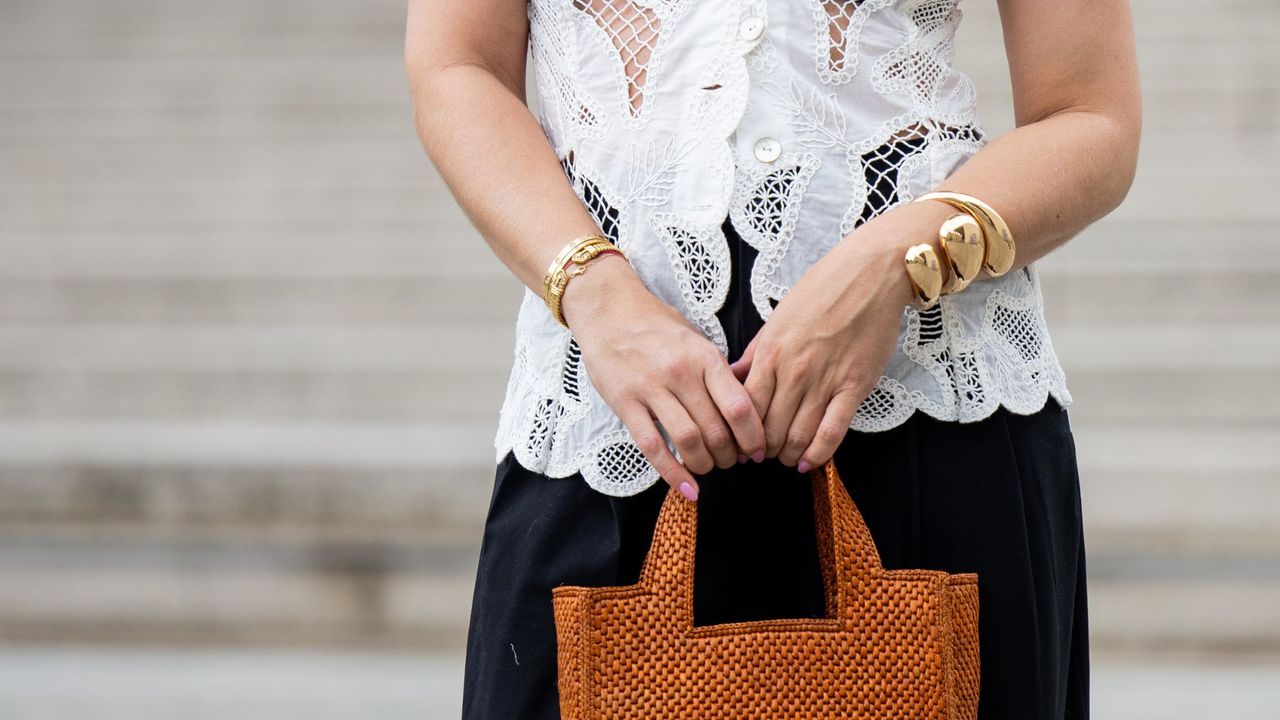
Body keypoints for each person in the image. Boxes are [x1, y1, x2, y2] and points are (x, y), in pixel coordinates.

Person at [404, 1, 1140, 717]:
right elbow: (457, 64)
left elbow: (1090, 114)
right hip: (608, 420)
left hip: (929, 406)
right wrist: (598, 296)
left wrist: (898, 261)